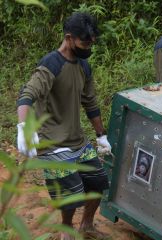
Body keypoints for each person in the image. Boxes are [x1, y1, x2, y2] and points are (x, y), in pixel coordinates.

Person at [16, 12, 111, 240]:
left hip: (76, 139)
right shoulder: (51, 65)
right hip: (52, 142)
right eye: (84, 42)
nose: (89, 46)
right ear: (69, 38)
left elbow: (90, 102)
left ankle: (87, 224)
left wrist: (101, 135)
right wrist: (23, 127)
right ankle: (66, 230)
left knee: (98, 181)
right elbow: (27, 95)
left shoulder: (83, 66)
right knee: (72, 194)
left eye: (91, 42)